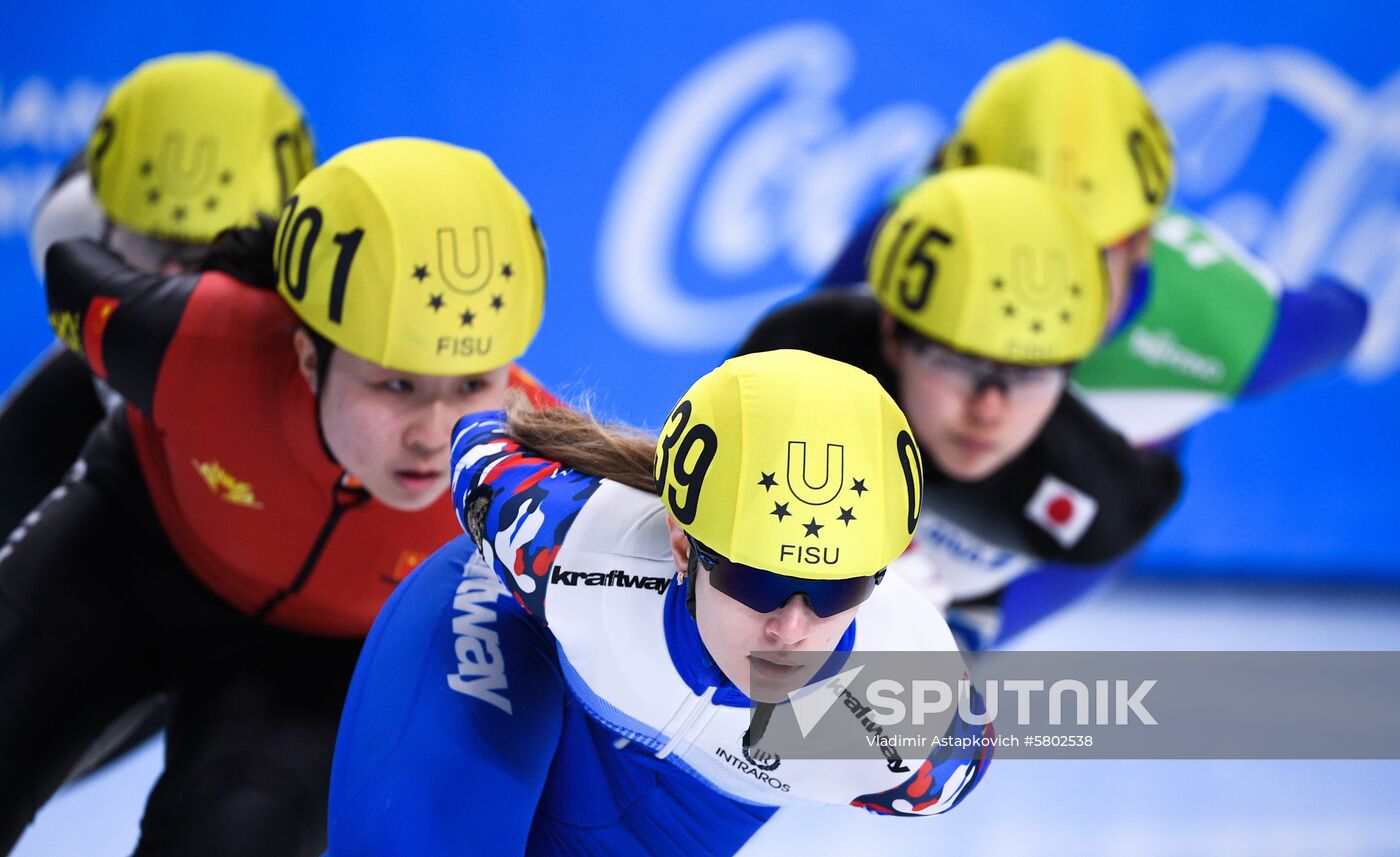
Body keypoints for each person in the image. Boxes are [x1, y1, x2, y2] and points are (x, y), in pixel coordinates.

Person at [0, 137, 550, 855]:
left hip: (310, 662)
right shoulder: (202, 336)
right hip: (129, 554)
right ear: (307, 356)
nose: (436, 435)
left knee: (231, 834)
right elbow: (71, 270)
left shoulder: (524, 467)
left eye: (474, 385)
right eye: (397, 385)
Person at [328, 349, 991, 856]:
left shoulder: (924, 731)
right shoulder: (571, 544)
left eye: (838, 588)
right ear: (681, 542)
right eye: (756, 580)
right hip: (518, 639)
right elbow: (482, 445)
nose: (792, 626)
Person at [822, 39, 1368, 449]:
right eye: (993, 249)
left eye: (1076, 265)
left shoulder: (1238, 330)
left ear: (1139, 246)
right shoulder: (904, 240)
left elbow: (1345, 314)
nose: (1032, 293)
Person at [736, 166, 1182, 650]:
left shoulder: (1100, 500)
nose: (989, 410)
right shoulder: (797, 353)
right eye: (959, 363)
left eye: (1031, 373)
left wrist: (959, 638)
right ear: (892, 334)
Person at [1, 52, 317, 538]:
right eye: (148, 246)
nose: (171, 280)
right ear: (100, 230)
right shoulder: (64, 243)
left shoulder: (330, 315)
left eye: (210, 255)